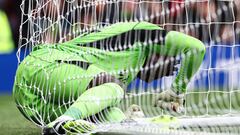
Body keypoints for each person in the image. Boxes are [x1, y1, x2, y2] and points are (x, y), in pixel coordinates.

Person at [13, 21, 205, 134]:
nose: (169, 70)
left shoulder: (127, 65)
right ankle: (64, 120)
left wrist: (127, 121)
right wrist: (177, 90)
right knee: (114, 86)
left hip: (30, 101)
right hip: (45, 66)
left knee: (106, 121)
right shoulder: (142, 33)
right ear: (161, 50)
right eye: (172, 63)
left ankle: (65, 122)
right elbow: (196, 48)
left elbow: (97, 108)